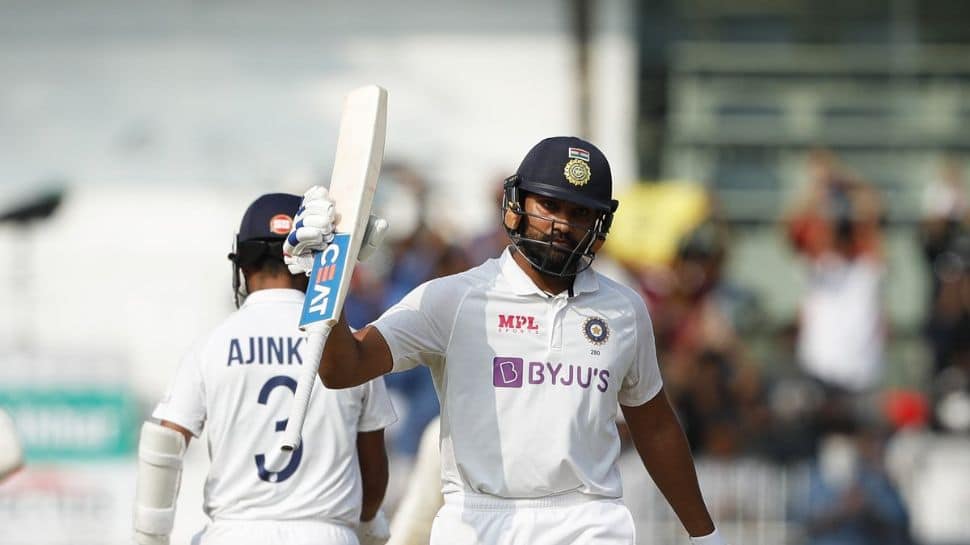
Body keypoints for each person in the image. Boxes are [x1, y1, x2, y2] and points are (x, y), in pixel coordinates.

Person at [284, 136, 727, 545]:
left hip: (588, 519)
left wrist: (705, 536)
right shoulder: (452, 299)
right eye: (549, 205)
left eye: (580, 213)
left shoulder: (624, 310)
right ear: (515, 206)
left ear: (601, 223)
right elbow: (344, 367)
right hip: (478, 519)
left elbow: (654, 424)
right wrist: (323, 277)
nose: (562, 224)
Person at [133, 193, 398, 545]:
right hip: (326, 535)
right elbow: (374, 472)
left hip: (234, 533)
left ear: (242, 265)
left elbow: (164, 445)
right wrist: (365, 525)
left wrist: (149, 537)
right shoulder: (350, 346)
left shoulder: (212, 346)